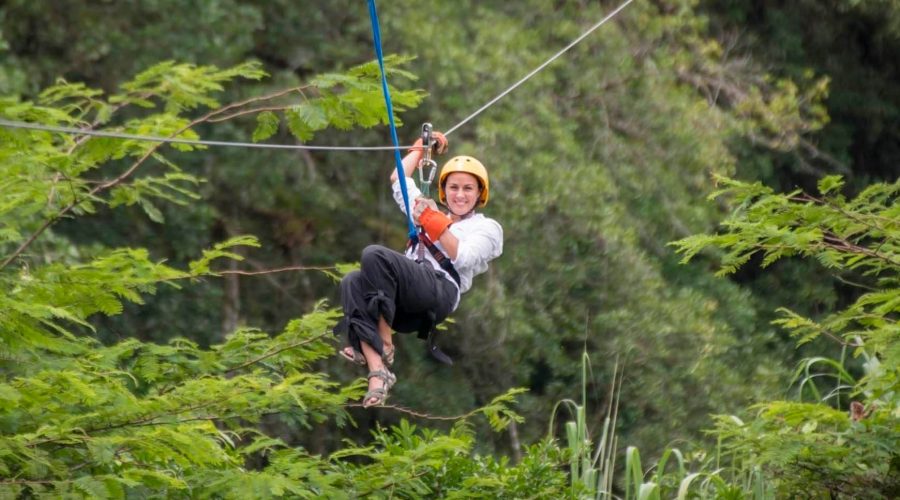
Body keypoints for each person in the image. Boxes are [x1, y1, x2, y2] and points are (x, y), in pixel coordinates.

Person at [333, 131, 503, 407]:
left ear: (480, 194)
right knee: (352, 281)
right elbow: (398, 180)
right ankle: (378, 372)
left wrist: (432, 220)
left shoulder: (487, 228)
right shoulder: (427, 210)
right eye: (454, 187)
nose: (459, 195)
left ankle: (385, 342)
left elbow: (463, 256)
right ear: (444, 190)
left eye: (468, 188)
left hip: (439, 290)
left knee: (374, 255)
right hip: (405, 300)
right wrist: (421, 148)